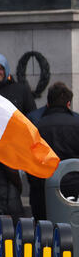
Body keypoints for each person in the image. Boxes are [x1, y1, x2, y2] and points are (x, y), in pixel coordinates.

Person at [0, 53, 36, 220]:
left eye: (0, 69)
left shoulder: (21, 90)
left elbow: (32, 117)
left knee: (14, 187)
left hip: (15, 148)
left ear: (6, 69)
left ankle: (15, 220)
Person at [28, 82, 79, 219]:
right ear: (68, 104)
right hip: (74, 187)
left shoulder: (36, 127)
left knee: (45, 228)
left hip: (43, 189)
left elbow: (30, 161)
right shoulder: (77, 124)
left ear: (48, 103)